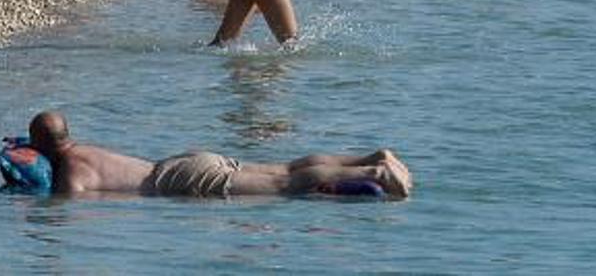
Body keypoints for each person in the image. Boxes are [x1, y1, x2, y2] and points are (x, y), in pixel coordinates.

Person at [22, 110, 411, 199]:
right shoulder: (82, 148)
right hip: (180, 161)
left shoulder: (71, 170)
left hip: (176, 181)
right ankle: (370, 157)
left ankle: (376, 174)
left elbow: (65, 203)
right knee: (284, 168)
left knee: (284, 186)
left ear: (40, 144)